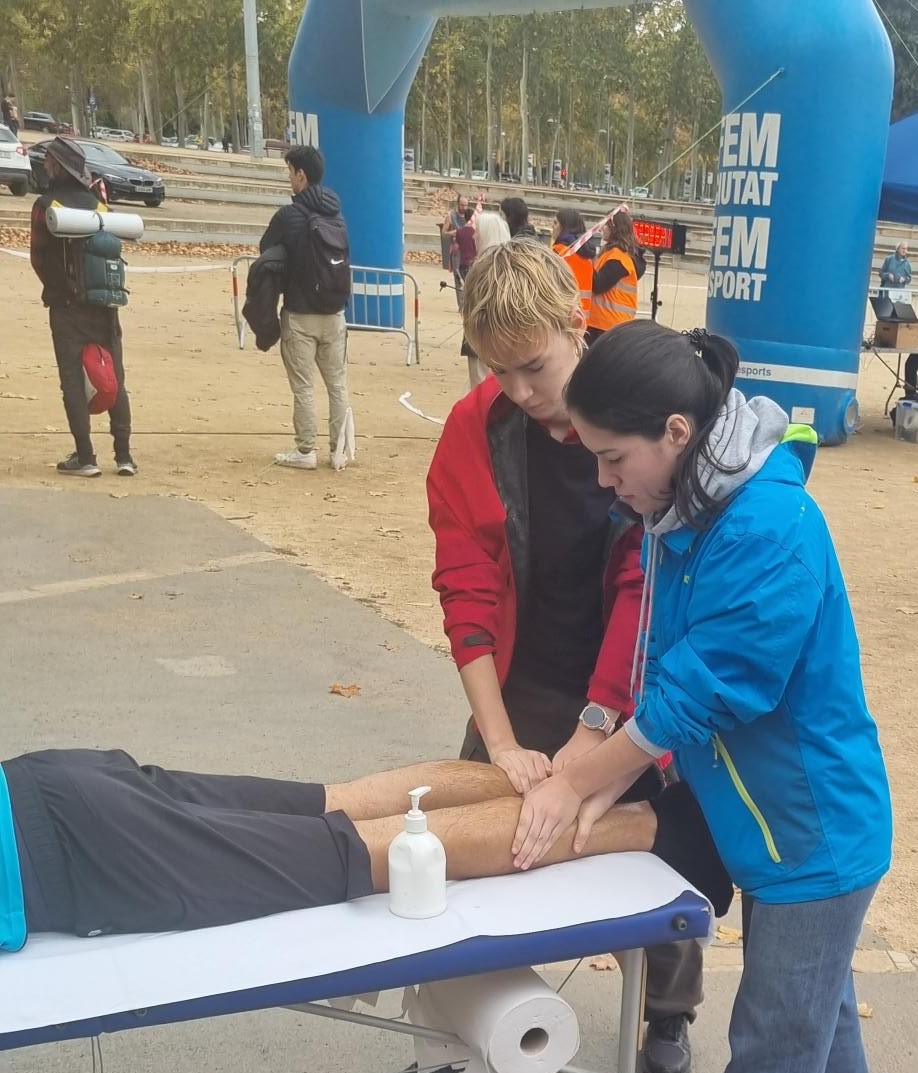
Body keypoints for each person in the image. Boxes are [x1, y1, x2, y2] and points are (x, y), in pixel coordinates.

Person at [513, 320, 893, 1073]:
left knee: (775, 1046)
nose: (603, 479)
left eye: (613, 457)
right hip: (769, 827)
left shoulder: (767, 529)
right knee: (821, 1032)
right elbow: (661, 664)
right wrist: (609, 774)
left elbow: (701, 693)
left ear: (677, 433)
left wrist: (573, 782)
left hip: (811, 837)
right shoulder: (682, 509)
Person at [427, 240, 704, 1073]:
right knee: (481, 846)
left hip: (632, 677)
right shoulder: (476, 427)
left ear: (575, 324)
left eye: (535, 367)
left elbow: (642, 583)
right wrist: (501, 739)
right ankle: (466, 1009)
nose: (519, 390)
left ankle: (667, 1016)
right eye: (496, 369)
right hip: (524, 673)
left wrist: (595, 735)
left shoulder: (633, 412)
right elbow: (465, 589)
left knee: (646, 846)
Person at [0, 747, 732, 952]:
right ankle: (617, 798)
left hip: (56, 854)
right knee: (340, 803)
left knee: (361, 848)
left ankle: (653, 828)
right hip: (39, 783)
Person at [29, 137, 135, 478]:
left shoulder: (45, 206)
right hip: (105, 305)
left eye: (48, 161)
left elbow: (38, 257)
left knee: (72, 380)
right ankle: (124, 456)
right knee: (116, 377)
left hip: (65, 306)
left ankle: (86, 457)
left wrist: (57, 285)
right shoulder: (99, 207)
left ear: (55, 167)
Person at [259, 144, 351, 472]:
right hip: (335, 314)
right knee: (337, 384)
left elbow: (266, 249)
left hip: (299, 314)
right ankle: (339, 451)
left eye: (290, 172)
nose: (289, 178)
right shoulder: (336, 215)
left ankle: (306, 449)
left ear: (301, 175)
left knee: (304, 386)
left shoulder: (289, 216)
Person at [459, 210, 511, 390]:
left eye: (477, 232)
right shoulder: (509, 267)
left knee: (481, 386)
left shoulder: (484, 269)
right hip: (501, 340)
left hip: (482, 337)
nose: (473, 236)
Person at [585, 209, 646, 347]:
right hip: (606, 323)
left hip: (608, 325)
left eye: (606, 225)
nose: (603, 228)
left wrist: (586, 259)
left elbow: (598, 285)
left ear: (614, 228)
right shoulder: (613, 254)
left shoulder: (618, 258)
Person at [551, 208, 598, 318]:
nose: (552, 226)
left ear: (564, 227)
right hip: (581, 317)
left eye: (555, 223)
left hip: (560, 314)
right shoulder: (588, 257)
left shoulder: (559, 252)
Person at [442, 193, 470, 305]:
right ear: (458, 204)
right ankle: (461, 305)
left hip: (469, 250)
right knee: (458, 278)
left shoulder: (471, 216)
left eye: (466, 205)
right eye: (462, 205)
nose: (464, 207)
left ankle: (468, 304)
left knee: (469, 278)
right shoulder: (451, 216)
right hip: (456, 250)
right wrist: (452, 233)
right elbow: (444, 233)